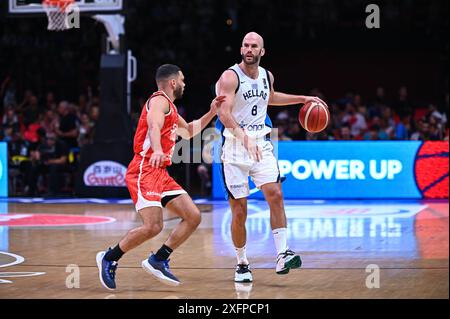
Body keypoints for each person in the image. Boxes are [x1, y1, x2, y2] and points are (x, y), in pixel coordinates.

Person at [96, 64, 225, 290]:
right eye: (182, 80)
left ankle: (159, 259)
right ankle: (110, 257)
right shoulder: (159, 101)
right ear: (173, 82)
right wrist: (156, 149)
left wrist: (212, 112)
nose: (185, 84)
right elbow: (154, 125)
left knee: (193, 216)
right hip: (145, 169)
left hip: (161, 173)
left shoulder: (172, 110)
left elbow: (189, 131)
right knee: (154, 226)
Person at [215, 32, 326, 282]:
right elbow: (223, 114)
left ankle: (282, 255)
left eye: (254, 46)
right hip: (234, 148)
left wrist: (303, 99)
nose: (249, 49)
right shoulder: (230, 77)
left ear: (262, 51)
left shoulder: (267, 76)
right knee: (240, 211)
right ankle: (242, 263)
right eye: (245, 45)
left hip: (261, 144)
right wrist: (244, 139)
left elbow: (270, 98)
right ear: (241, 49)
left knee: (275, 194)